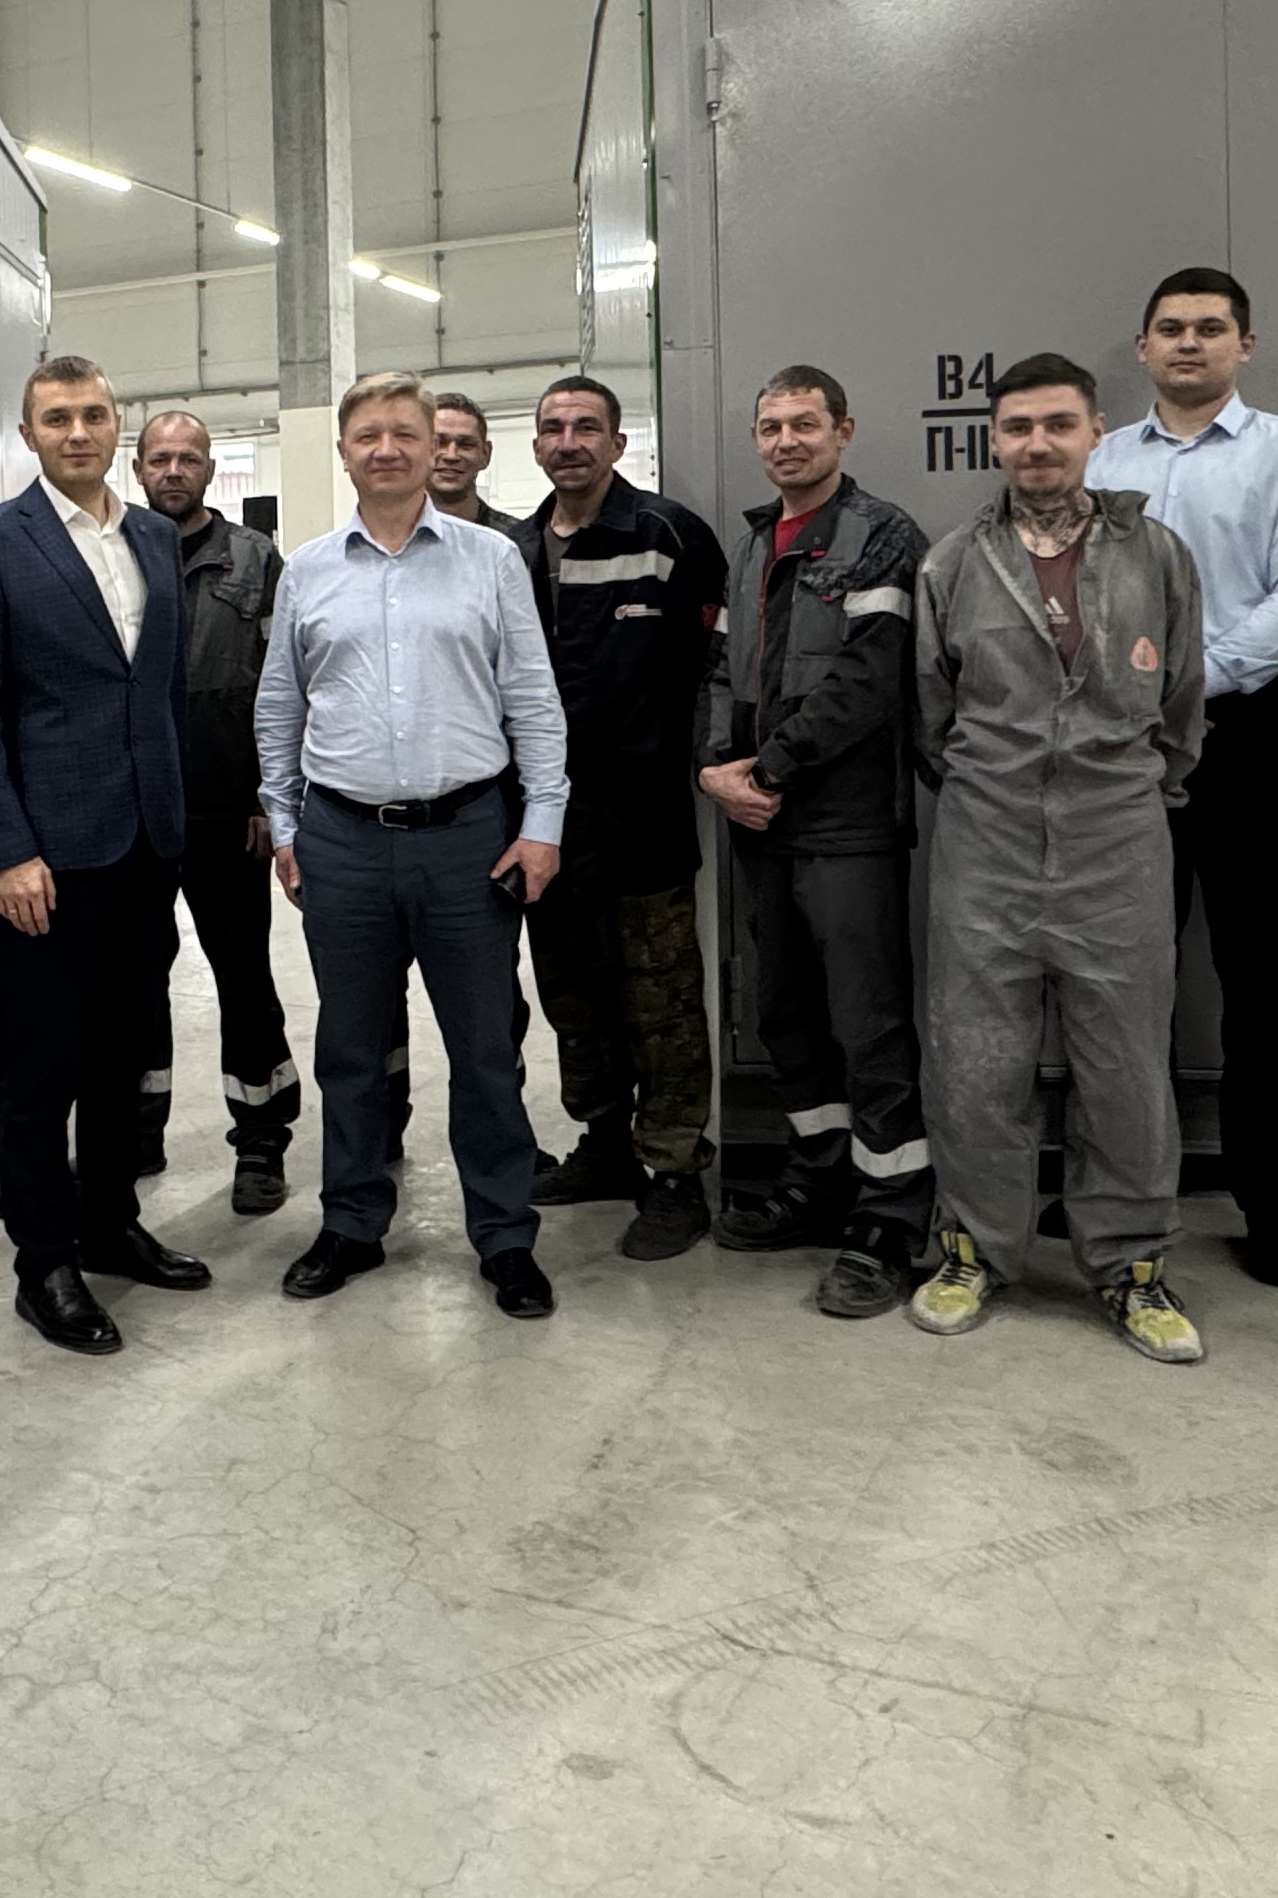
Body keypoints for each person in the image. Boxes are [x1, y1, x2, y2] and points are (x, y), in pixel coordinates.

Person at [904, 353, 1210, 1363]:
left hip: (1117, 838)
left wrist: (1124, 789)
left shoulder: (1157, 555)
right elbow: (931, 714)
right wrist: (1000, 786)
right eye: (1018, 427)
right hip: (984, 839)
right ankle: (974, 1250)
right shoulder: (954, 563)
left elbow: (1182, 705)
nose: (1038, 445)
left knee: (1125, 1064)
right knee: (975, 1057)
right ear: (994, 439)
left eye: (1059, 425)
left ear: (1094, 432)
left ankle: (1130, 1265)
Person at [259, 372, 571, 1323]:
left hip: (467, 841)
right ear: (343, 451)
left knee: (485, 1051)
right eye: (368, 435)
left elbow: (534, 701)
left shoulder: (490, 560)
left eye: (405, 433)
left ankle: (505, 1235)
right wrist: (286, 826)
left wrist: (542, 825)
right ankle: (352, 1222)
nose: (387, 449)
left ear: (436, 447)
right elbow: (279, 707)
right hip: (342, 841)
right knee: (351, 1050)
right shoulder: (308, 570)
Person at [1085, 270, 1278, 1287]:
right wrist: (1142, 701)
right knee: (1123, 981)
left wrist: (1196, 685)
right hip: (1123, 742)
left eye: (1210, 328)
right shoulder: (1102, 459)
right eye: (1170, 329)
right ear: (1142, 348)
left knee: (1263, 979)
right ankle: (1124, 1190)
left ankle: (1274, 1206)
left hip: (1255, 737)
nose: (1188, 343)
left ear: (1245, 345)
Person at [0, 353, 206, 1355]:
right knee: (40, 1064)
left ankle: (108, 1223)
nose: (79, 432)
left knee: (122, 1052)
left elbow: (161, 692)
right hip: (46, 856)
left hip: (144, 843)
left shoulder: (152, 535)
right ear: (28, 435)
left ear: (117, 423)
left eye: (94, 414)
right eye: (57, 418)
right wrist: (8, 849)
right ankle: (43, 1261)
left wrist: (174, 815)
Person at [696, 365, 937, 1313]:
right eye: (771, 427)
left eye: (804, 424)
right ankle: (819, 1177)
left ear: (844, 430)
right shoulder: (753, 545)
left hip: (845, 826)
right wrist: (716, 767)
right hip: (762, 823)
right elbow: (721, 670)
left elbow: (869, 682)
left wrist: (766, 772)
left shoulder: (882, 537)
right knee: (786, 1016)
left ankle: (891, 1218)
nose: (786, 441)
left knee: (869, 1024)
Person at [517, 376, 729, 1262]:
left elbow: (711, 670)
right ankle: (604, 1141)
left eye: (586, 427)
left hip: (642, 818)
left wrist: (705, 762)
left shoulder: (669, 537)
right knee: (573, 996)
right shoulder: (514, 550)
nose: (569, 441)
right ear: (536, 445)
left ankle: (675, 1173)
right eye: (553, 428)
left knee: (662, 1002)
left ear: (616, 442)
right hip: (544, 822)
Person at [135, 408, 301, 1213]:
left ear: (209, 468)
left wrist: (271, 794)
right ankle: (136, 1130)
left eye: (188, 458)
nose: (173, 470)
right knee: (132, 978)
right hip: (133, 810)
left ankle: (261, 1139)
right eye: (159, 458)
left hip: (228, 809)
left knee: (243, 976)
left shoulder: (256, 559)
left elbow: (283, 684)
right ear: (138, 468)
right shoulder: (114, 550)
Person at [425, 390, 524, 538]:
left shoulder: (519, 540)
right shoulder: (390, 537)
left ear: (486, 454)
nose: (451, 456)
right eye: (438, 443)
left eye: (466, 444)